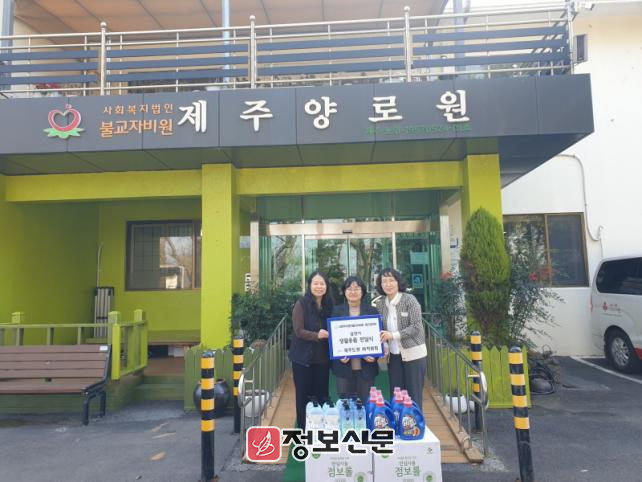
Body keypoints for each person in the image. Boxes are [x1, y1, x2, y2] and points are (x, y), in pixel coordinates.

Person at [376, 268, 427, 410]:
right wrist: (384, 346)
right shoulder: (381, 304)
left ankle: (415, 423)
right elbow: (380, 329)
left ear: (398, 282)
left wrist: (393, 335)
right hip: (394, 357)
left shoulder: (409, 300)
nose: (388, 284)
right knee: (396, 395)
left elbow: (416, 326)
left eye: (391, 280)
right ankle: (399, 422)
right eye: (384, 281)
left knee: (413, 396)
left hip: (414, 355)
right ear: (380, 285)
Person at [288, 271, 334, 430]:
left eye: (322, 283)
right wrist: (317, 335)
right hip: (302, 360)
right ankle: (304, 431)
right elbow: (298, 330)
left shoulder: (330, 305)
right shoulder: (301, 304)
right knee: (303, 396)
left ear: (326, 286)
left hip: (323, 360)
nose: (319, 286)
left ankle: (319, 430)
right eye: (316, 283)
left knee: (321, 395)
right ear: (310, 285)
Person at [330, 276, 380, 404]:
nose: (353, 291)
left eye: (357, 288)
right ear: (344, 291)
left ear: (362, 291)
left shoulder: (372, 311)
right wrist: (338, 355)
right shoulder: (337, 311)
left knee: (365, 405)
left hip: (367, 369)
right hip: (343, 368)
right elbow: (331, 338)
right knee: (345, 405)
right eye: (349, 288)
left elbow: (379, 337)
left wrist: (374, 355)